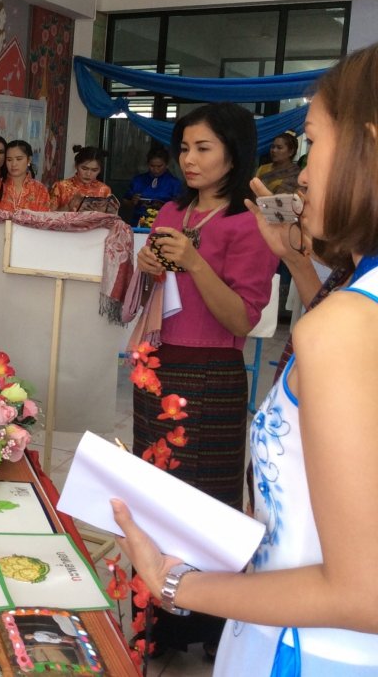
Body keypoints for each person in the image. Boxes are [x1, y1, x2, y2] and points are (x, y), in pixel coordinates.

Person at [114, 46, 378, 674]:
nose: (300, 176)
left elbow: (360, 590)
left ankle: (190, 629)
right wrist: (293, 258)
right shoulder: (351, 301)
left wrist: (174, 582)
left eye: (313, 143)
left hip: (311, 649)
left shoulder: (346, 324)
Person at [130, 102, 279, 656]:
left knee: (204, 503)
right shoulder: (173, 210)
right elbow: (157, 298)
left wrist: (194, 263)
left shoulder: (248, 224)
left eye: (203, 148)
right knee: (156, 495)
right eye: (184, 148)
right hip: (157, 366)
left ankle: (208, 624)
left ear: (234, 154)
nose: (188, 159)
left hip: (212, 373)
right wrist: (147, 268)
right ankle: (156, 619)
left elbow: (241, 319)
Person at [0, 140, 51, 211]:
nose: (13, 164)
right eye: (9, 160)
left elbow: (44, 217)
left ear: (29, 160)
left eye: (19, 159)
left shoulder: (40, 190)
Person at [124, 143, 183, 225]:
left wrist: (163, 206)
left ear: (167, 165)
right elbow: (125, 201)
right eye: (152, 166)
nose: (156, 169)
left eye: (159, 166)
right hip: (138, 222)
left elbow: (180, 207)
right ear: (147, 164)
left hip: (165, 222)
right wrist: (132, 201)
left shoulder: (174, 183)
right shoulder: (138, 180)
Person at [50, 146, 112, 211]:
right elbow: (48, 215)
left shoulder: (104, 190)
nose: (88, 174)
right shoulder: (60, 187)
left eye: (94, 170)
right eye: (84, 168)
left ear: (100, 170)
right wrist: (68, 207)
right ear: (76, 165)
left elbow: (111, 216)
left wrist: (101, 212)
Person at [255, 129, 301, 194]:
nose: (274, 150)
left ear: (291, 152)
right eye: (272, 147)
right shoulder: (263, 168)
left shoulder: (296, 174)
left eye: (279, 148)